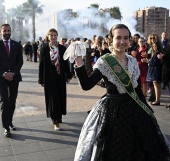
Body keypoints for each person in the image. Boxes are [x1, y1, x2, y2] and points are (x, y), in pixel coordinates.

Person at [73, 24, 170, 160]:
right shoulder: (105, 62)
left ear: (130, 40)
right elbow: (86, 85)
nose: (122, 42)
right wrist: (79, 63)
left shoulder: (132, 61)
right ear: (111, 40)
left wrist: (147, 110)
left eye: (126, 38)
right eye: (118, 38)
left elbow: (136, 90)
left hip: (135, 109)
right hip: (113, 112)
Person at [38, 28, 72, 131]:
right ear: (48, 37)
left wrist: (69, 75)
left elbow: (66, 63)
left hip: (60, 77)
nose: (53, 37)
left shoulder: (62, 48)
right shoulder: (44, 49)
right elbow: (41, 65)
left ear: (57, 36)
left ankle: (59, 116)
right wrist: (41, 79)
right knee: (53, 99)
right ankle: (55, 120)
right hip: (49, 77)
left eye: (55, 35)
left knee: (60, 96)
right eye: (51, 35)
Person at [0, 24, 23, 137]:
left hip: (14, 77)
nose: (7, 32)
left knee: (12, 101)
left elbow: (20, 62)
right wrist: (4, 74)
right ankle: (6, 127)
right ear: (1, 32)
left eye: (8, 30)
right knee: (4, 101)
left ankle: (9, 122)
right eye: (4, 31)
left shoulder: (17, 45)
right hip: (1, 78)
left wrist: (13, 73)